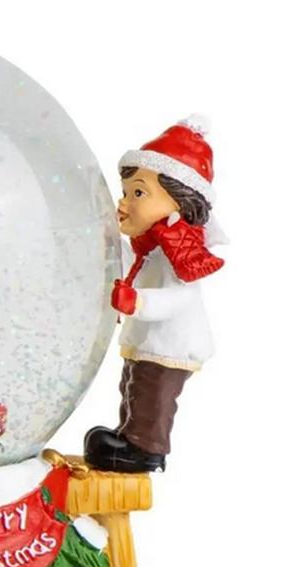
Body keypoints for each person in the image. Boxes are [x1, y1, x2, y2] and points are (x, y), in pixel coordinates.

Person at [84, 116, 224, 473]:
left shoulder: (180, 252)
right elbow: (132, 265)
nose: (124, 203)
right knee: (133, 386)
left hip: (170, 346)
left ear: (178, 201)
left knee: (153, 395)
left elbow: (180, 298)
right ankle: (128, 435)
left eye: (138, 193)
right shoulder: (152, 247)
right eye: (125, 193)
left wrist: (138, 302)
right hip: (151, 343)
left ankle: (146, 449)